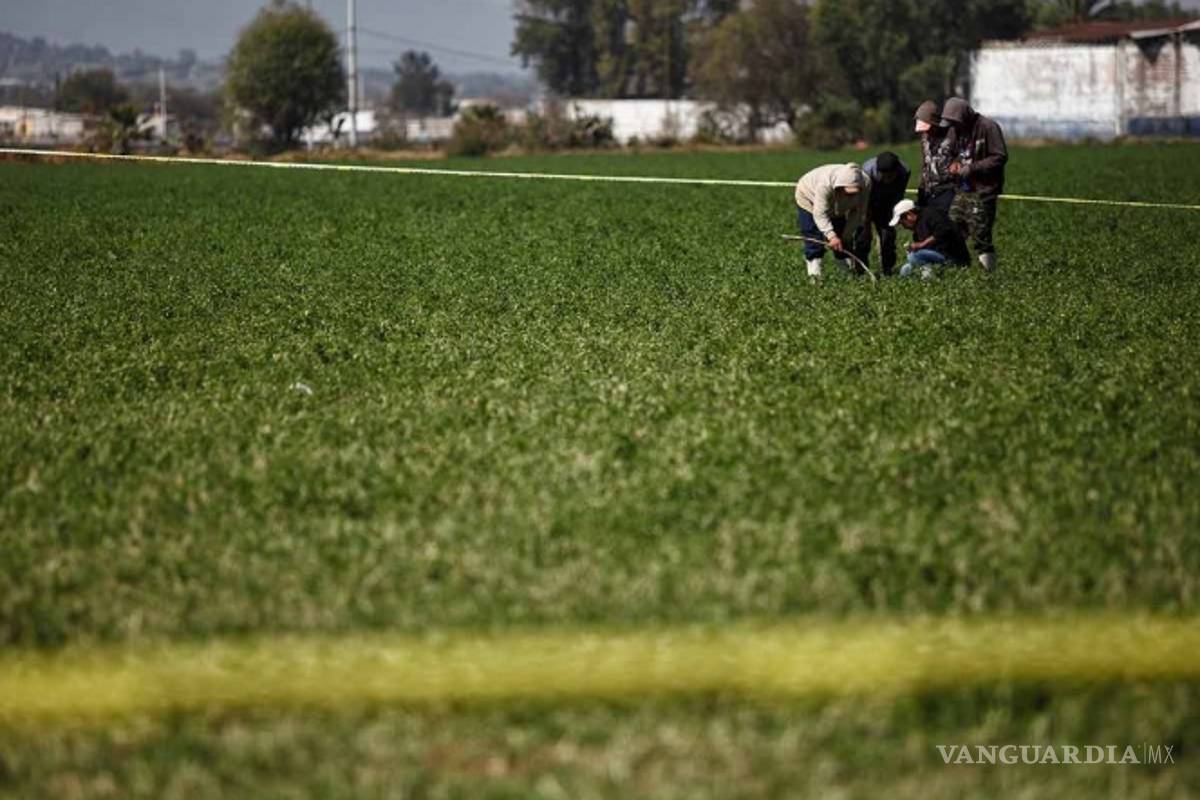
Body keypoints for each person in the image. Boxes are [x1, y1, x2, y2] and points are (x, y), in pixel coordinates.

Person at [940, 97, 1008, 272]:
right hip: (961, 190)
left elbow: (999, 157)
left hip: (983, 191)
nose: (953, 125)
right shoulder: (955, 130)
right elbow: (950, 153)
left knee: (981, 236)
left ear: (964, 115)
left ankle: (988, 275)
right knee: (953, 231)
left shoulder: (988, 127)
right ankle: (959, 269)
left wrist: (972, 168)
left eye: (955, 121)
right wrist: (953, 164)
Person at [794, 163, 872, 280]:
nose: (850, 195)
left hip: (837, 206)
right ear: (839, 187)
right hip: (808, 197)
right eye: (847, 191)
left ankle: (847, 273)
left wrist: (846, 235)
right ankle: (815, 275)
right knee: (813, 235)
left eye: (854, 193)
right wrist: (831, 236)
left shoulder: (866, 183)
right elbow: (820, 214)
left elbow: (858, 212)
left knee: (842, 238)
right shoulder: (824, 184)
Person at [890, 198, 970, 280]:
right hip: (938, 256)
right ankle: (928, 274)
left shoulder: (931, 215)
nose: (904, 227)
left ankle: (930, 277)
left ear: (909, 214)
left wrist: (922, 244)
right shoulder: (917, 229)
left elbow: (944, 230)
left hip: (952, 257)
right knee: (905, 269)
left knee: (913, 257)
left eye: (902, 222)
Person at [862, 151, 911, 277]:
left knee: (887, 236)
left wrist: (894, 217)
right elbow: (863, 201)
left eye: (891, 176)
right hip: (865, 202)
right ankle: (861, 271)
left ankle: (887, 270)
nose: (887, 180)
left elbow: (897, 197)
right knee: (862, 237)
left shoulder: (904, 171)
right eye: (884, 176)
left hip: (887, 203)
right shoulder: (866, 172)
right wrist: (867, 226)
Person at [914, 100, 955, 212]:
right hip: (928, 190)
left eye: (929, 129)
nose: (926, 133)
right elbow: (925, 163)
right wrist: (921, 187)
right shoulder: (924, 137)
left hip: (947, 190)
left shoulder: (952, 134)